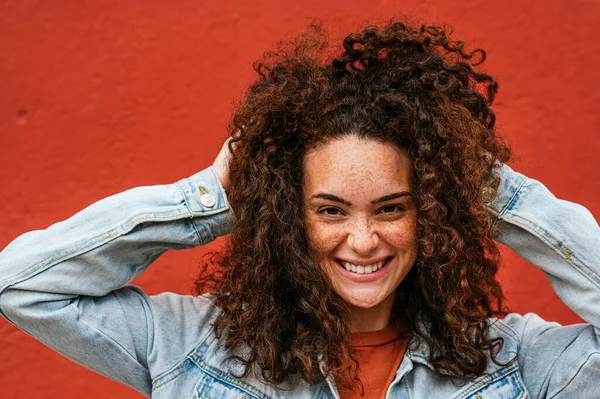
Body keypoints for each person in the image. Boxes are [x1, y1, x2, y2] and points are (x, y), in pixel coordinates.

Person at [0, 18, 599, 399]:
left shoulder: (516, 361)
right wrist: (208, 199)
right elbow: (23, 287)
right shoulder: (187, 345)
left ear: (432, 213)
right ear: (290, 215)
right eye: (331, 211)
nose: (363, 241)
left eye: (391, 208)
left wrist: (487, 192)